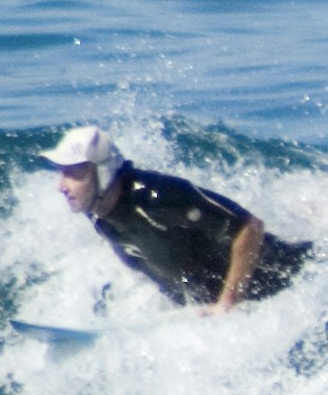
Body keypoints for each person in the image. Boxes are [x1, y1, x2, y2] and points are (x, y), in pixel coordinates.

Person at [45, 125, 307, 310]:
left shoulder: (159, 197)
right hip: (239, 300)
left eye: (72, 173)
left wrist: (227, 304)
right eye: (61, 173)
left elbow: (249, 227)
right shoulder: (100, 215)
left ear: (101, 173)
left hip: (292, 280)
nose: (61, 186)